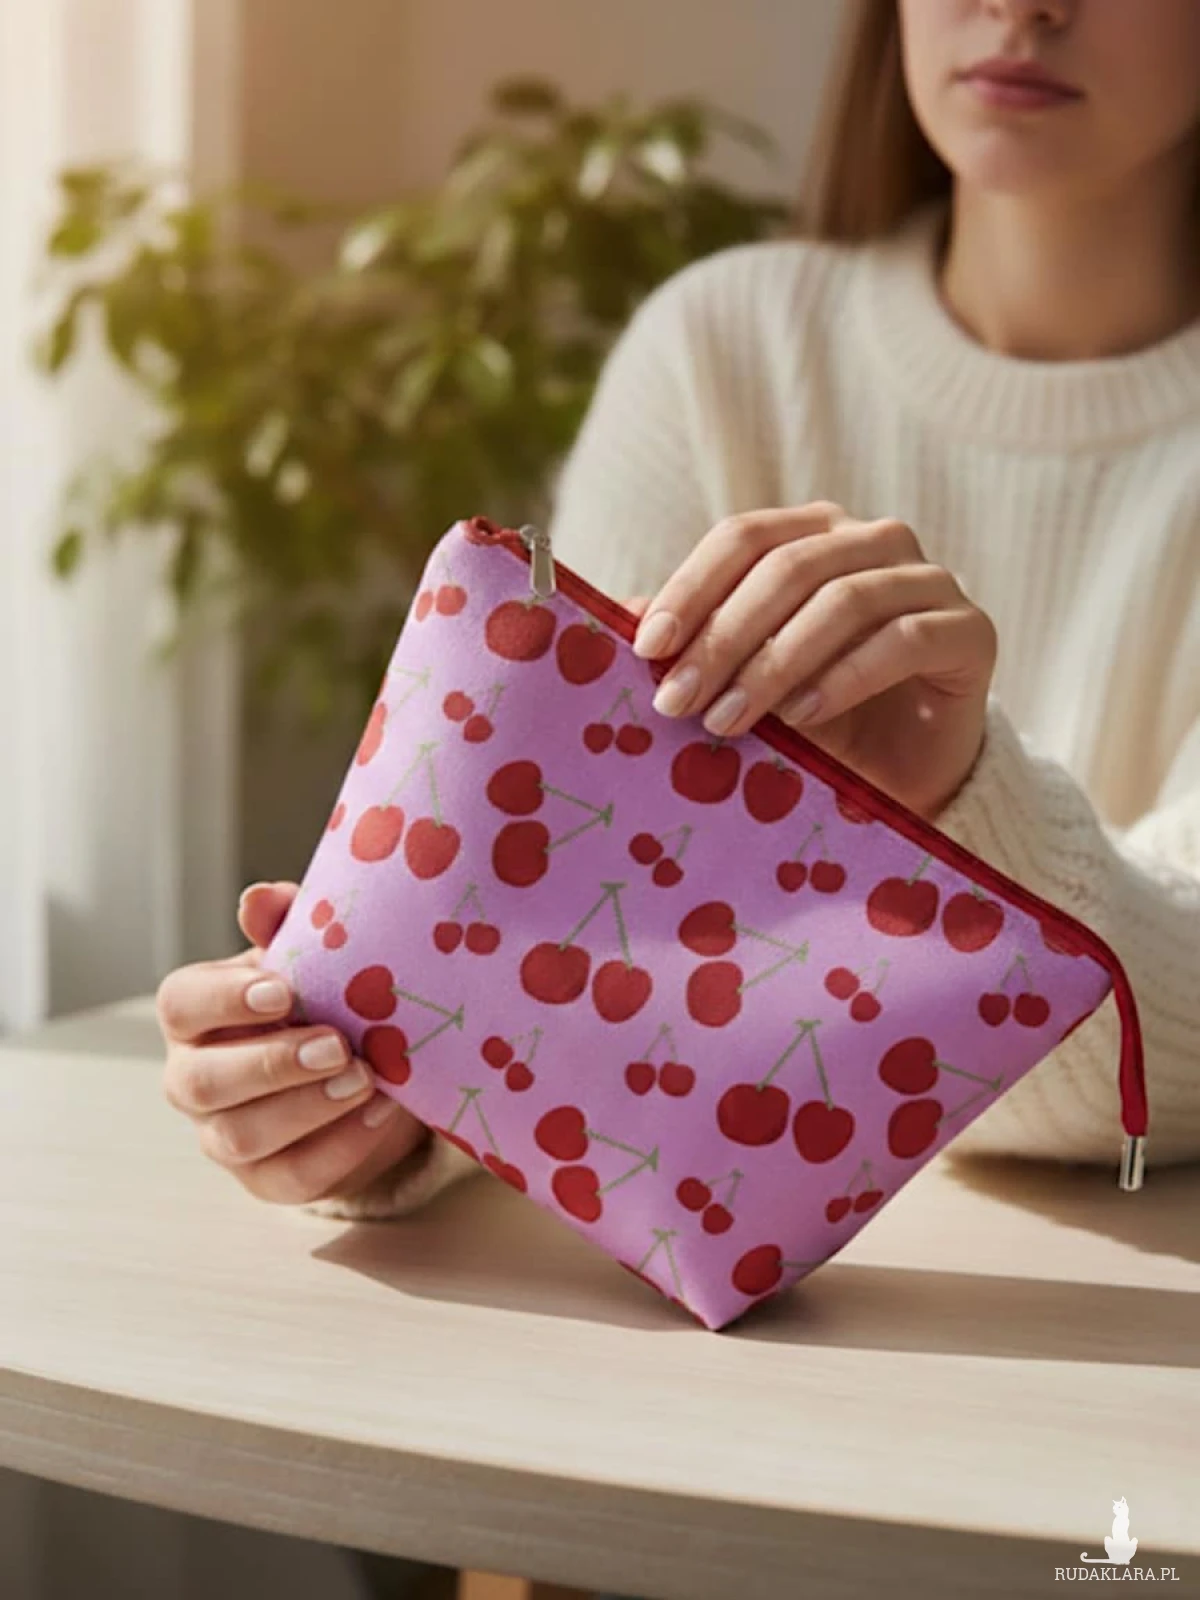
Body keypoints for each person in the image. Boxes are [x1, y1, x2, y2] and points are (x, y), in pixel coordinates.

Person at [158, 0, 1200, 1241]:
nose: (1023, 6)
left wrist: (953, 808)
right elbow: (560, 918)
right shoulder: (719, 348)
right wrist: (401, 1087)